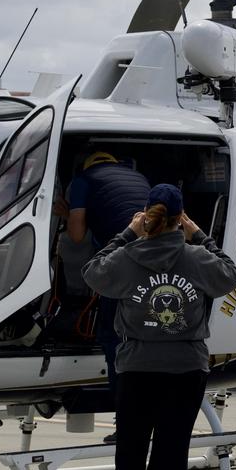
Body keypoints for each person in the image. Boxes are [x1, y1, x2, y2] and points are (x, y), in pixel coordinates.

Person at [81, 183, 236, 470]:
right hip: (185, 370)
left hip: (137, 368)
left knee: (130, 459)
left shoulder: (128, 255)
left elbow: (92, 272)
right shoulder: (196, 256)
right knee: (170, 461)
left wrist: (127, 234)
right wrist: (200, 235)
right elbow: (231, 276)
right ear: (179, 219)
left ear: (147, 216)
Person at [63, 151, 152, 392]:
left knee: (112, 336)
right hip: (156, 257)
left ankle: (122, 410)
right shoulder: (138, 177)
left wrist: (65, 212)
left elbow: (76, 235)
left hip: (124, 261)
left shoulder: (83, 180)